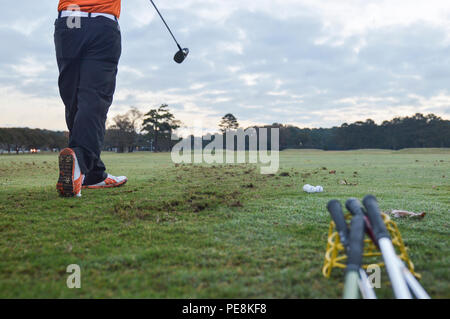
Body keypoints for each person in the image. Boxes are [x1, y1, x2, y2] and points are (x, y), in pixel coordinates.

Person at [54, 0, 127, 197]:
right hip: (102, 22)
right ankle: (78, 161)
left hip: (70, 19)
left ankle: (93, 174)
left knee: (74, 98)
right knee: (94, 98)